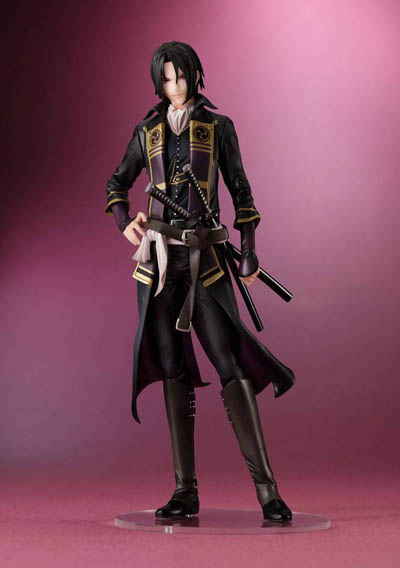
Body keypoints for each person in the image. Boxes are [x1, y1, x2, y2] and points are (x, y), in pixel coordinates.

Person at [105, 41, 295, 522]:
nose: (175, 86)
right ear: (158, 82)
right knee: (172, 366)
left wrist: (249, 252)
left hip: (205, 259)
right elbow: (117, 183)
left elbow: (242, 193)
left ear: (194, 76)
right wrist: (125, 219)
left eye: (181, 76)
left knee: (228, 362)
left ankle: (268, 492)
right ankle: (184, 491)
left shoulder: (218, 127)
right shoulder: (147, 131)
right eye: (166, 79)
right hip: (159, 263)